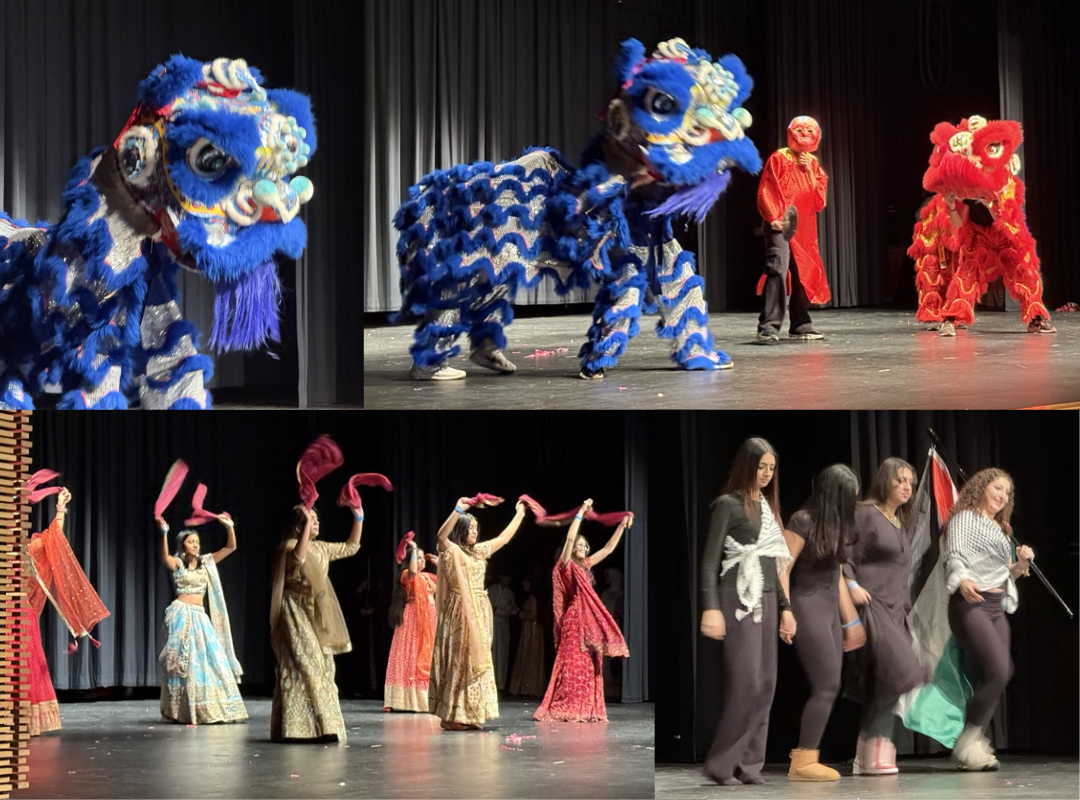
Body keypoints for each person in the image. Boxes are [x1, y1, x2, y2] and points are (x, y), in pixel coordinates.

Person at [700, 437, 796, 786]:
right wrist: (711, 607)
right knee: (746, 683)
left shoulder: (768, 508)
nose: (767, 474)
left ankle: (750, 765)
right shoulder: (728, 505)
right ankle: (721, 764)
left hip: (767, 598)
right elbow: (710, 561)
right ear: (747, 466)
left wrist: (786, 609)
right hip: (738, 598)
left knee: (766, 685)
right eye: (761, 467)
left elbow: (772, 566)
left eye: (771, 468)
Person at [944, 468, 1032, 771]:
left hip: (996, 606)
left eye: (1007, 492)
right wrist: (962, 579)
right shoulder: (964, 519)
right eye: (997, 488)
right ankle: (968, 741)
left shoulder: (1001, 528)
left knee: (999, 674)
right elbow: (954, 555)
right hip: (971, 603)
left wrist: (1021, 563)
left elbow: (1006, 574)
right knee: (998, 669)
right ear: (982, 487)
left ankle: (973, 743)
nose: (1002, 496)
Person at [782, 465, 866, 781]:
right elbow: (782, 568)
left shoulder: (840, 527)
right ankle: (803, 759)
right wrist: (785, 611)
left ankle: (806, 756)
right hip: (807, 605)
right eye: (849, 496)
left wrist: (851, 620)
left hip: (830, 607)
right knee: (827, 684)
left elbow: (838, 576)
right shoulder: (803, 520)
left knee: (832, 685)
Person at [844, 457, 928, 775]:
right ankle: (876, 745)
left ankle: (868, 753)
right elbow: (845, 553)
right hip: (872, 605)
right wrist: (851, 584)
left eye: (910, 483)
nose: (907, 487)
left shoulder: (899, 522)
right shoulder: (867, 514)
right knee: (904, 671)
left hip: (896, 610)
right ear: (885, 482)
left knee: (885, 682)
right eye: (900, 481)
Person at [430, 496, 528, 730]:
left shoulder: (479, 551)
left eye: (477, 528)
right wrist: (457, 509)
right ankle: (451, 716)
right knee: (460, 659)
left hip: (479, 610)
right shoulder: (451, 550)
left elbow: (503, 539)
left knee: (475, 661)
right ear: (461, 529)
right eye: (471, 527)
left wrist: (520, 514)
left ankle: (469, 714)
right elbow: (441, 536)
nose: (475, 531)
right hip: (459, 609)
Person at [269, 504, 363, 742]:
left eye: (317, 518)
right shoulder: (288, 547)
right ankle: (298, 728)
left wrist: (358, 516)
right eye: (311, 519)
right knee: (305, 663)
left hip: (316, 612)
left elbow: (351, 547)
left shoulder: (321, 548)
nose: (316, 522)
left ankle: (323, 726)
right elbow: (299, 559)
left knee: (324, 667)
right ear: (299, 526)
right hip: (295, 610)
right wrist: (305, 521)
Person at [24, 486, 110, 735]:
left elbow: (53, 538)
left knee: (24, 666)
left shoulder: (25, 551)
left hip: (18, 616)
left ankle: (21, 719)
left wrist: (60, 508)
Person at [534, 501, 630, 722]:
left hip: (589, 623)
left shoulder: (586, 565)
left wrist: (621, 526)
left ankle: (586, 708)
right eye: (580, 545)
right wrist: (579, 515)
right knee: (572, 664)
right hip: (574, 621)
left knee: (589, 664)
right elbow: (569, 539)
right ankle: (567, 706)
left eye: (586, 546)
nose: (584, 548)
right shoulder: (565, 565)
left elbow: (608, 549)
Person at [154, 512, 246, 724]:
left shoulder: (206, 562)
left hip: (200, 617)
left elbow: (230, 547)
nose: (196, 545)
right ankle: (182, 710)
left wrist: (229, 527)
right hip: (181, 615)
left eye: (197, 542)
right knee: (183, 662)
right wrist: (164, 533)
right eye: (191, 542)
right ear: (183, 545)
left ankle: (209, 706)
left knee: (210, 660)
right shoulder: (178, 563)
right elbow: (165, 558)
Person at [755, 116, 829, 343]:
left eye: (810, 130)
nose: (805, 134)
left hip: (804, 226)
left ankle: (800, 325)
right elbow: (766, 189)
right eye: (800, 129)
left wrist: (809, 172)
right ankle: (768, 326)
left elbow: (819, 201)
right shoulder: (778, 158)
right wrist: (773, 217)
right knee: (778, 267)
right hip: (781, 222)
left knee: (802, 272)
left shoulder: (813, 164)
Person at [383, 538, 438, 712]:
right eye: (417, 558)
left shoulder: (428, 577)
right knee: (411, 654)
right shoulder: (406, 574)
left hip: (429, 620)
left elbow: (448, 580)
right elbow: (413, 572)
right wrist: (413, 548)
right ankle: (407, 700)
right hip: (413, 618)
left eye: (422, 558)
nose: (422, 561)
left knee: (427, 655)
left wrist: (439, 563)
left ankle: (426, 699)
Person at [508, 577, 545, 697]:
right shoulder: (530, 597)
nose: (524, 584)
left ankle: (528, 686)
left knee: (529, 654)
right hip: (529, 629)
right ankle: (526, 686)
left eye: (527, 582)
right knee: (528, 654)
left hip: (531, 630)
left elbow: (532, 614)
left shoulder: (532, 598)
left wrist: (519, 613)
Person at [487, 572, 519, 690]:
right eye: (505, 577)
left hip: (504, 624)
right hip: (493, 622)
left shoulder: (509, 593)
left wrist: (512, 610)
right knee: (492, 651)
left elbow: (512, 609)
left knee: (502, 653)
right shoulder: (492, 590)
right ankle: (490, 681)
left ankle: (500, 683)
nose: (507, 580)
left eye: (508, 577)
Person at [600, 567, 625, 700]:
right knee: (604, 658)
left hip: (616, 627)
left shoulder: (621, 594)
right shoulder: (605, 594)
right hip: (604, 628)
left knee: (615, 658)